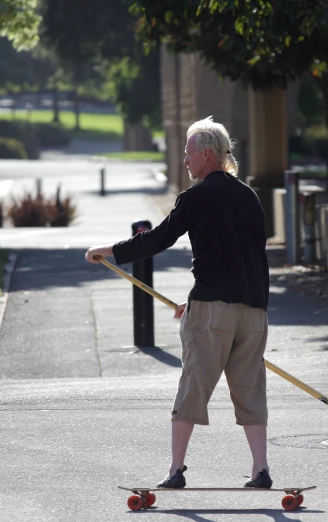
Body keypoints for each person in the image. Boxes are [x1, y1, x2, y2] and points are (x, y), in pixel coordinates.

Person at [85, 116, 272, 490]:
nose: (184, 161)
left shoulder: (196, 196)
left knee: (193, 387)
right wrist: (198, 300)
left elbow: (157, 239)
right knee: (251, 389)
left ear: (205, 154)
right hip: (254, 312)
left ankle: (175, 470)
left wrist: (108, 251)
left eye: (188, 153)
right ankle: (260, 469)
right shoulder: (249, 196)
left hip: (212, 311)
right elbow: (246, 253)